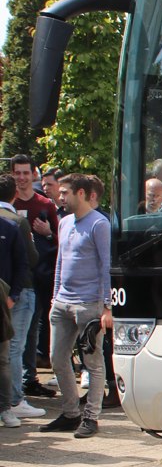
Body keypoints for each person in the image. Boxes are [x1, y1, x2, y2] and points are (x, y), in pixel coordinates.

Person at [39, 174, 112, 439]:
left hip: (88, 304)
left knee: (93, 363)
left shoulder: (99, 223)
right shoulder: (64, 222)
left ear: (81, 193)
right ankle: (71, 414)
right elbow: (61, 260)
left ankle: (91, 417)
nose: (60, 197)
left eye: (65, 192)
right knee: (58, 359)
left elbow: (106, 265)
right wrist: (55, 297)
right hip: (62, 302)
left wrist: (107, 306)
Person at [11, 155, 58, 395]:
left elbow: (59, 240)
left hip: (36, 278)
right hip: (9, 280)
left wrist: (49, 233)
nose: (21, 178)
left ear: (33, 175)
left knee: (31, 331)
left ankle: (28, 379)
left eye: (25, 173)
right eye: (17, 173)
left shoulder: (45, 204)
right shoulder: (7, 202)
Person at [0, 175, 43, 423]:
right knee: (12, 350)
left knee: (6, 353)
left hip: (7, 297)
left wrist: (13, 295)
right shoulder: (15, 222)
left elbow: (23, 262)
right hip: (14, 295)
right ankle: (13, 402)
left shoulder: (11, 226)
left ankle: (9, 405)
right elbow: (30, 259)